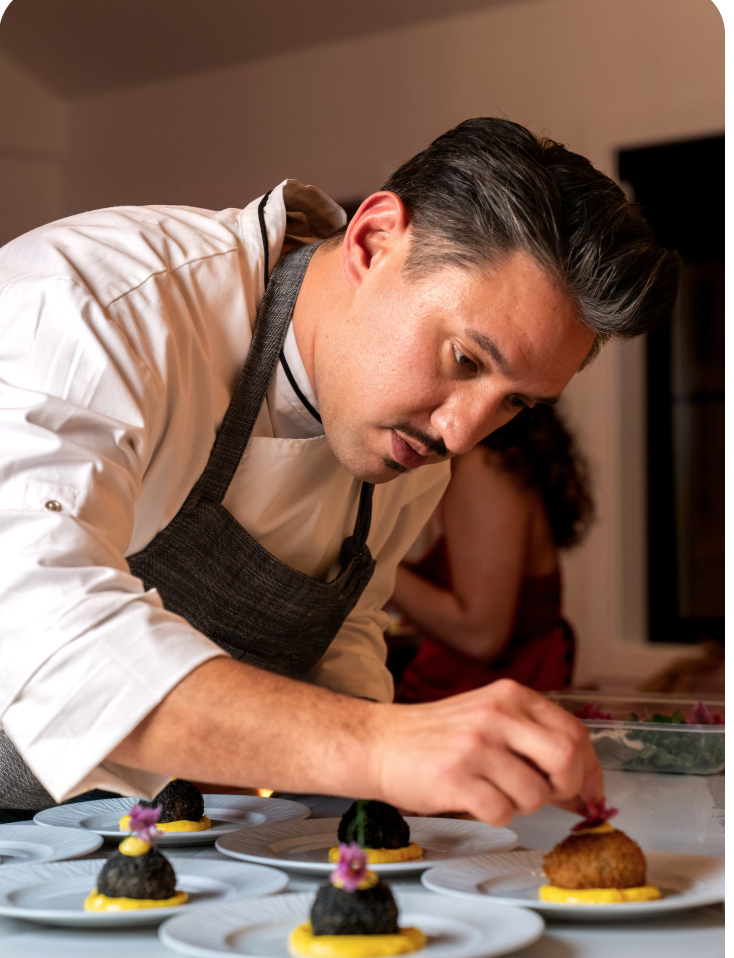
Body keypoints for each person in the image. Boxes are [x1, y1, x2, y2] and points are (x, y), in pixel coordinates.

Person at [0, 118, 678, 826]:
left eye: (515, 404)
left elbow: (346, 632)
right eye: (466, 361)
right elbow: (37, 631)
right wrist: (380, 747)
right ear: (374, 240)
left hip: (97, 842)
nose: (462, 433)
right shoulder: (99, 302)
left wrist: (375, 810)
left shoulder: (410, 444)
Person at [390, 405, 593, 702]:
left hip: (487, 708)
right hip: (474, 703)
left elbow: (480, 636)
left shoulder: (483, 466)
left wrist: (369, 566)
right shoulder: (487, 463)